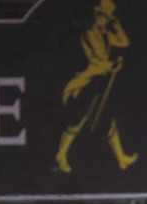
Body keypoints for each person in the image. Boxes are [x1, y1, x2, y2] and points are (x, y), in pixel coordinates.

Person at [55, 0, 137, 173]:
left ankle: (121, 159)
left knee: (108, 119)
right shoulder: (88, 34)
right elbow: (95, 62)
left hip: (100, 83)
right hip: (86, 82)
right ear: (96, 15)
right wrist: (111, 66)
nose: (104, 20)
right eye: (103, 17)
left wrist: (117, 24)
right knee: (78, 119)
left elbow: (124, 42)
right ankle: (61, 155)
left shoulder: (107, 35)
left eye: (107, 18)